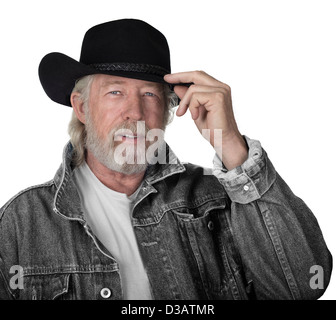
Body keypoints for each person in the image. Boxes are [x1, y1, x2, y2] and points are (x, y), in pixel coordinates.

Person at [0, 18, 332, 300]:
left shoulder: (217, 199)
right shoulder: (20, 222)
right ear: (83, 107)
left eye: (149, 95)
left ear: (168, 112)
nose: (136, 112)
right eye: (115, 92)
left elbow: (303, 285)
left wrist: (229, 142)